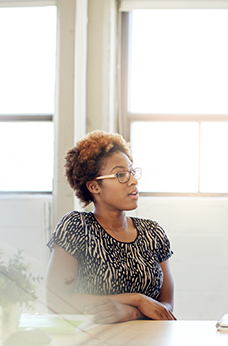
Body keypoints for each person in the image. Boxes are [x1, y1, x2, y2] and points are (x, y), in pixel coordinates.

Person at [45, 130, 176, 324]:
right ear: (94, 187)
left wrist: (131, 312)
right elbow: (57, 300)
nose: (133, 181)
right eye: (121, 175)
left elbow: (166, 307)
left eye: (132, 172)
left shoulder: (153, 233)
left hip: (151, 342)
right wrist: (136, 299)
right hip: (96, 345)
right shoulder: (76, 228)